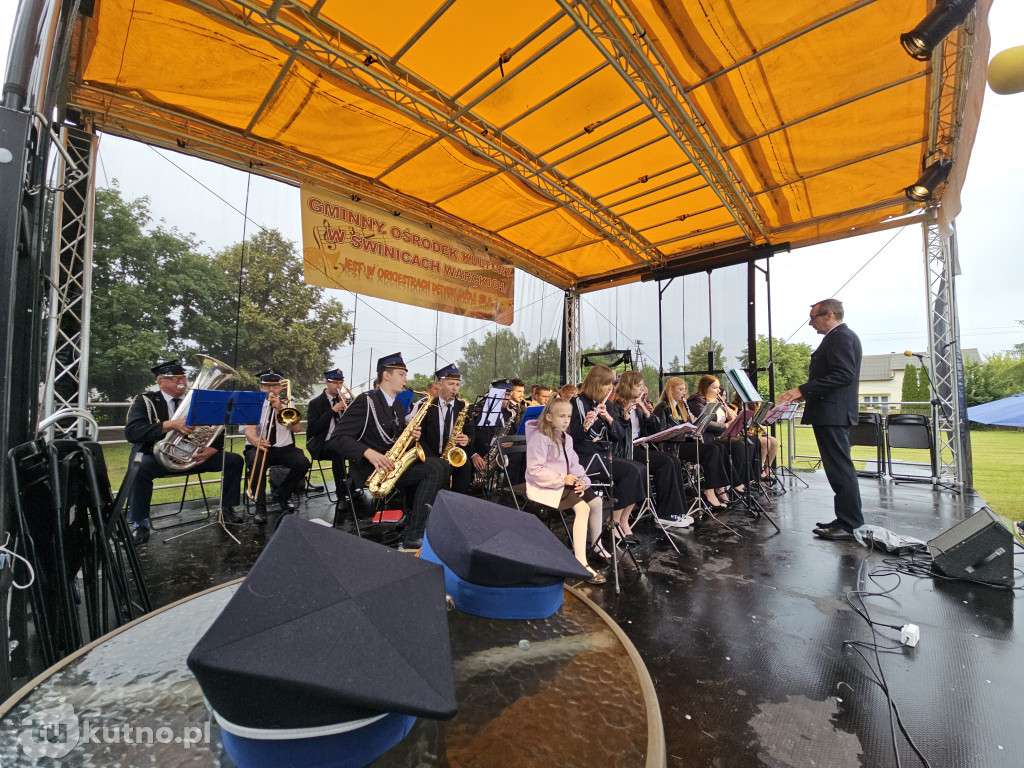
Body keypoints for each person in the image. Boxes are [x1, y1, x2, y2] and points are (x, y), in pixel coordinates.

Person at [329, 353, 450, 549]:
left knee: (442, 465)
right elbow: (337, 438)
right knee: (434, 469)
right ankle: (414, 534)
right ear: (386, 375)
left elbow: (393, 440)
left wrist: (410, 436)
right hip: (372, 470)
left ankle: (412, 521)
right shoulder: (366, 401)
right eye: (401, 374)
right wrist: (368, 452)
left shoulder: (398, 407)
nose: (405, 379)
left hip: (391, 465)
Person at [124, 359, 245, 544]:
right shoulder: (146, 401)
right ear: (160, 381)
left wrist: (212, 450)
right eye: (175, 379)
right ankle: (140, 523)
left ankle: (227, 508)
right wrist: (170, 425)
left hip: (195, 457)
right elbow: (132, 433)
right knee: (139, 467)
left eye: (183, 378)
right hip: (159, 457)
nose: (181, 382)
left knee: (234, 460)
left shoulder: (197, 401)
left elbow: (217, 429)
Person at [778, 299, 864, 540]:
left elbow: (843, 375)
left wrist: (803, 389)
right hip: (833, 412)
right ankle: (846, 518)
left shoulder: (840, 337)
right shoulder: (841, 336)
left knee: (840, 468)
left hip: (833, 414)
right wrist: (807, 394)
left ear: (829, 315)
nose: (810, 324)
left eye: (813, 318)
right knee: (838, 468)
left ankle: (849, 523)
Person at [525, 396, 609, 584]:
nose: (566, 421)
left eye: (569, 416)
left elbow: (574, 465)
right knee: (583, 508)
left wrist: (583, 480)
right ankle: (580, 562)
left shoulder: (566, 438)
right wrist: (561, 479)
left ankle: (597, 546)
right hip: (546, 484)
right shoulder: (540, 438)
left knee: (596, 502)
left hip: (566, 481)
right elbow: (535, 470)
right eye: (561, 416)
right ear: (549, 417)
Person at [566, 365, 645, 544]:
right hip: (584, 458)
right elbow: (571, 437)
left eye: (611, 384)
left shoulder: (607, 405)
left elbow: (619, 435)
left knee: (640, 469)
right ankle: (613, 522)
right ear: (596, 383)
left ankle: (622, 520)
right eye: (607, 384)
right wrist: (585, 426)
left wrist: (609, 419)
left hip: (603, 456)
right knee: (631, 472)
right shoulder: (577, 403)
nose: (610, 388)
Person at [611, 371, 693, 529]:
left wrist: (647, 413)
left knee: (674, 460)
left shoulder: (638, 405)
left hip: (640, 446)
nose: (642, 388)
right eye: (638, 385)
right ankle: (666, 513)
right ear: (628, 387)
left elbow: (656, 428)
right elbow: (617, 434)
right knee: (665, 463)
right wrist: (625, 416)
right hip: (626, 450)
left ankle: (679, 510)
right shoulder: (616, 407)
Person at [243, 369, 311, 524]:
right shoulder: (252, 404)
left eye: (275, 386)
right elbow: (248, 430)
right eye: (267, 386)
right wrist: (255, 441)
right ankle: (260, 506)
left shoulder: (288, 403)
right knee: (256, 463)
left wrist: (280, 409)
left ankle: (283, 495)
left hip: (283, 448)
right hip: (258, 446)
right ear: (261, 387)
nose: (271, 389)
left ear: (280, 388)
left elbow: (297, 429)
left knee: (303, 462)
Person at [653, 377, 731, 510]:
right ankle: (710, 491)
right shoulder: (663, 407)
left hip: (682, 442)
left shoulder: (680, 406)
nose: (684, 393)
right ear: (671, 390)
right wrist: (684, 431)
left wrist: (693, 428)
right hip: (671, 447)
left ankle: (719, 488)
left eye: (685, 390)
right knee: (711, 450)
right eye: (680, 390)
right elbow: (662, 433)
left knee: (718, 447)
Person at [687, 375, 757, 495]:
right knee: (738, 445)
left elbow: (725, 420)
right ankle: (736, 482)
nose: (718, 391)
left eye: (718, 387)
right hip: (708, 437)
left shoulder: (717, 402)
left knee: (749, 441)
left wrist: (732, 418)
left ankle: (747, 479)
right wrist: (726, 425)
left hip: (721, 435)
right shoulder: (696, 401)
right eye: (715, 388)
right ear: (705, 388)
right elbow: (706, 423)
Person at [412, 364, 473, 494]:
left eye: (457, 384)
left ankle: (457, 501)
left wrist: (467, 439)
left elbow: (472, 433)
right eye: (451, 384)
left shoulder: (463, 406)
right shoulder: (427, 406)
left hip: (455, 455)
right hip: (431, 455)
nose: (455, 388)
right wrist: (434, 459)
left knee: (466, 466)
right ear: (439, 385)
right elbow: (420, 437)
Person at [304, 368, 349, 517]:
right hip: (321, 443)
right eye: (335, 383)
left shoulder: (343, 400)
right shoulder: (315, 403)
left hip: (341, 441)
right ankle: (341, 496)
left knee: (359, 449)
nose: (338, 386)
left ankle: (351, 485)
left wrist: (349, 407)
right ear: (327, 383)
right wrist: (332, 411)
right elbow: (314, 429)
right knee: (339, 452)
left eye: (340, 383)